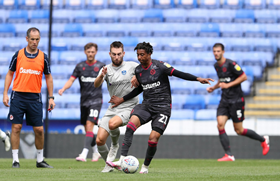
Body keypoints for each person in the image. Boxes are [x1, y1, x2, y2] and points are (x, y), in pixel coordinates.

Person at [107, 42, 213, 174]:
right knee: (130, 126)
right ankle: (122, 160)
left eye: (142, 55)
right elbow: (140, 88)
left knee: (153, 138)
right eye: (138, 55)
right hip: (147, 105)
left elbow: (178, 73)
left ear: (149, 54)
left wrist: (197, 79)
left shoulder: (160, 66)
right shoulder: (138, 70)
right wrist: (122, 99)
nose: (139, 58)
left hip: (162, 108)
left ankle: (145, 167)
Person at [206, 43, 269, 161]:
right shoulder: (216, 66)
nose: (216, 53)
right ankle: (229, 155)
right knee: (220, 124)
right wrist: (213, 88)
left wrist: (228, 85)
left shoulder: (231, 64)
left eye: (218, 51)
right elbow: (222, 80)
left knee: (239, 130)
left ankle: (263, 139)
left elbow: (244, 77)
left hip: (236, 101)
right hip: (225, 100)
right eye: (214, 51)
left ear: (223, 52)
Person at [2, 27, 55, 168]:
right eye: (32, 39)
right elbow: (9, 74)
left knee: (38, 129)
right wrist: (5, 93)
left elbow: (49, 77)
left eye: (37, 39)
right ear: (27, 39)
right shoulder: (18, 55)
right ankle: (15, 161)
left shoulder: (43, 57)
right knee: (16, 127)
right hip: (18, 96)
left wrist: (51, 97)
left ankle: (39, 160)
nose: (35, 42)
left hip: (34, 98)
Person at [94, 41, 139, 172]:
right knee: (99, 140)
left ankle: (114, 146)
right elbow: (96, 85)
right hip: (113, 107)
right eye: (114, 54)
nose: (116, 57)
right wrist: (101, 76)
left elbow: (144, 73)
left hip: (129, 106)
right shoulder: (106, 69)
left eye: (119, 54)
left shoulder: (132, 66)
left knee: (113, 124)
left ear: (123, 53)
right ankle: (109, 164)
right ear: (110, 54)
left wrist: (137, 75)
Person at [58, 43, 105, 162]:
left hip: (96, 100)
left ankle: (84, 154)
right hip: (84, 101)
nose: (90, 54)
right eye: (88, 52)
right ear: (85, 52)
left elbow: (111, 80)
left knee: (89, 125)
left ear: (96, 52)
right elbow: (71, 80)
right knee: (87, 129)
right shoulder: (80, 66)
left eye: (92, 52)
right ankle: (96, 152)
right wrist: (63, 89)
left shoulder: (101, 66)